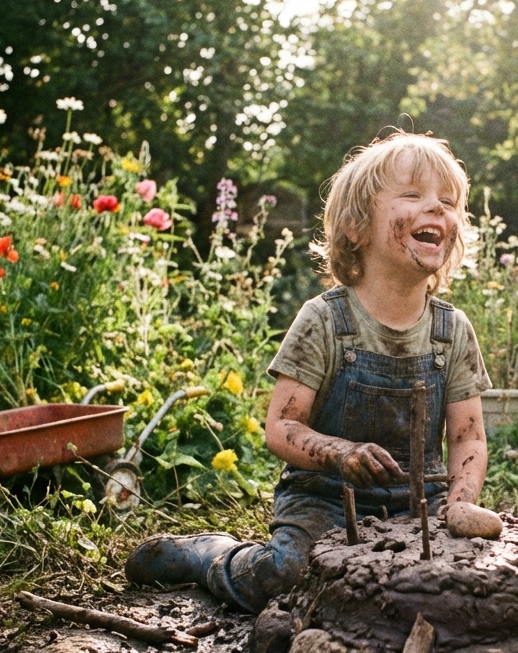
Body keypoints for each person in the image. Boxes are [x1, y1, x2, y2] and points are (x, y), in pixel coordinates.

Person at [126, 132, 492, 613]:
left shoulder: (452, 330)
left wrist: (460, 502)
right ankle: (208, 555)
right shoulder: (325, 320)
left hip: (416, 506)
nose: (435, 209)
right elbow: (281, 427)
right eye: (412, 195)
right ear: (356, 227)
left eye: (447, 202)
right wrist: (340, 453)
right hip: (324, 501)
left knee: (437, 589)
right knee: (287, 579)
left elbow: (469, 436)